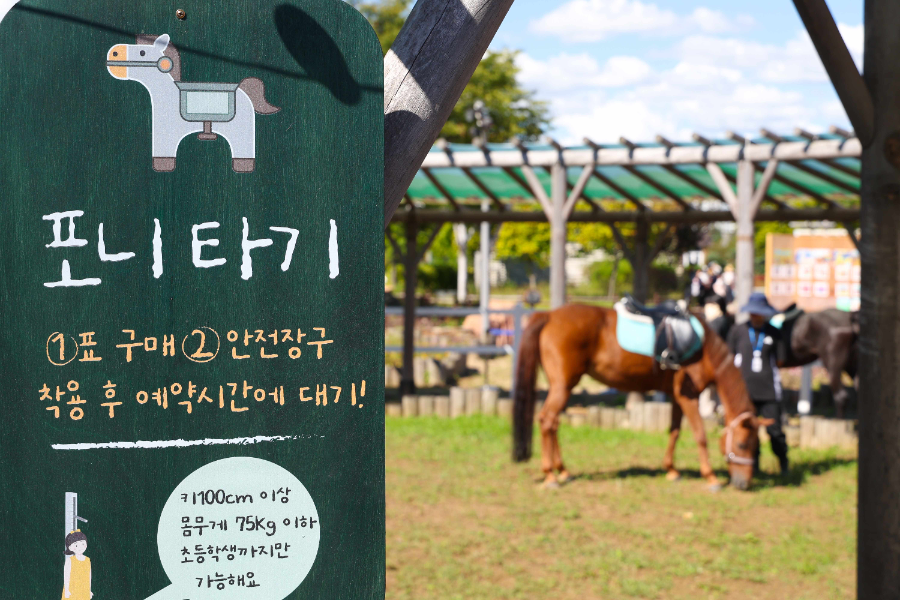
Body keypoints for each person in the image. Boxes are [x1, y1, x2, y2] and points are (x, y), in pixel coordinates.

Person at [726, 292, 788, 475]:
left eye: (759, 312)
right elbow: (730, 358)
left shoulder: (774, 332)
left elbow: (781, 360)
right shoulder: (738, 330)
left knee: (774, 431)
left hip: (769, 391)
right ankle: (755, 466)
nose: (756, 316)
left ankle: (783, 462)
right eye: (753, 312)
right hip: (744, 392)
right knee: (748, 432)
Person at [62, 530, 92, 600]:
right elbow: (66, 576)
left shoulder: (87, 560)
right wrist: (66, 590)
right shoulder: (70, 560)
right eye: (76, 545)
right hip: (72, 589)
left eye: (82, 544)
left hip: (84, 590)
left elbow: (89, 576)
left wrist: (89, 590)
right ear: (70, 547)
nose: (80, 547)